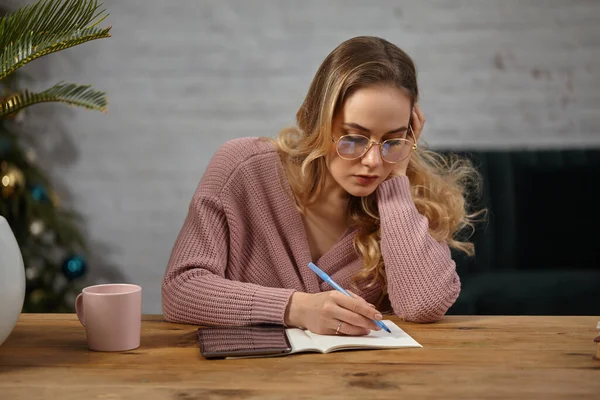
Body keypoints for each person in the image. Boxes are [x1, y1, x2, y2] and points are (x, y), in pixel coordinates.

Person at [162, 36, 481, 336]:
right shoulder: (243, 168)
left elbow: (423, 305)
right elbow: (181, 288)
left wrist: (397, 180)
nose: (372, 161)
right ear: (318, 122)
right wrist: (295, 307)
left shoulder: (407, 198)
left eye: (391, 140)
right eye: (354, 138)